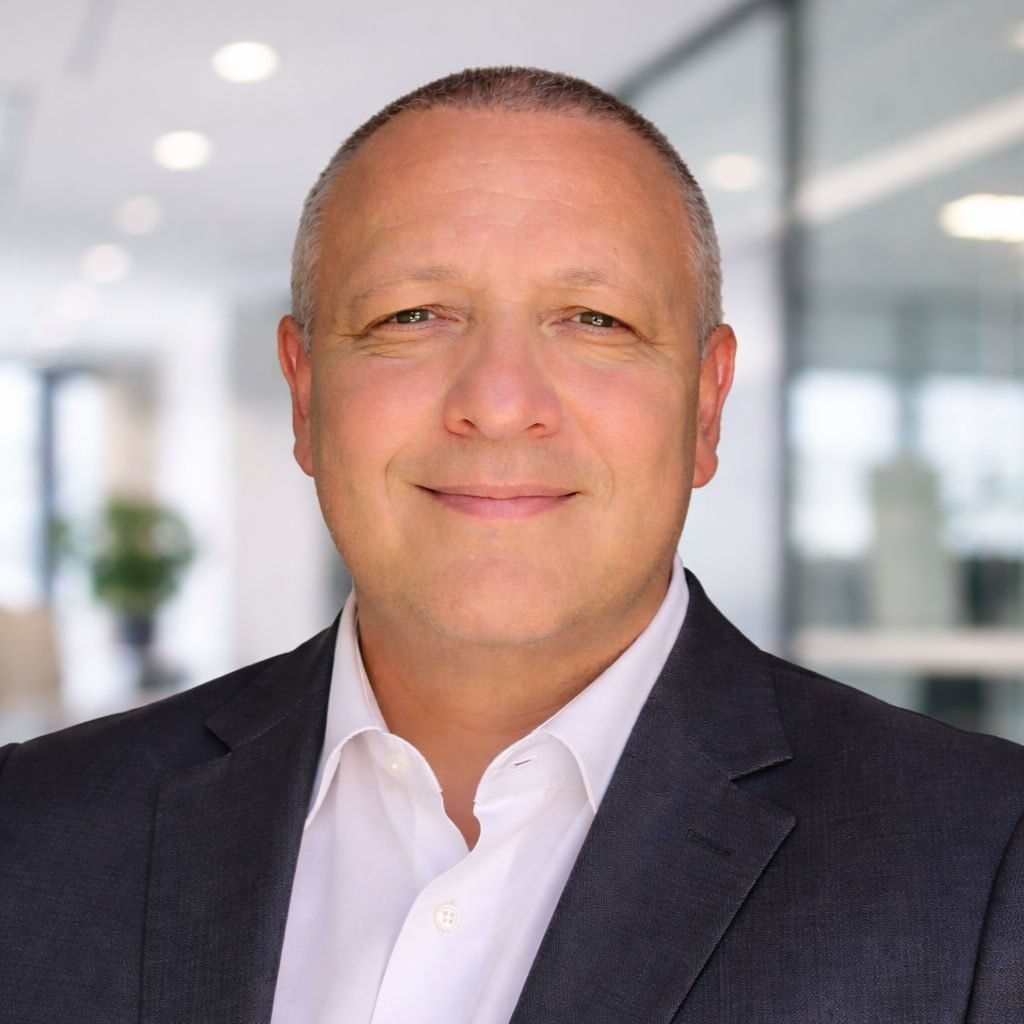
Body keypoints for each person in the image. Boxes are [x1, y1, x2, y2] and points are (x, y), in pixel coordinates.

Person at [1, 66, 1021, 1024]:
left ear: (706, 404)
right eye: (412, 315)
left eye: (594, 319)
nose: (497, 402)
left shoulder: (984, 861)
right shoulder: (32, 831)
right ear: (305, 392)